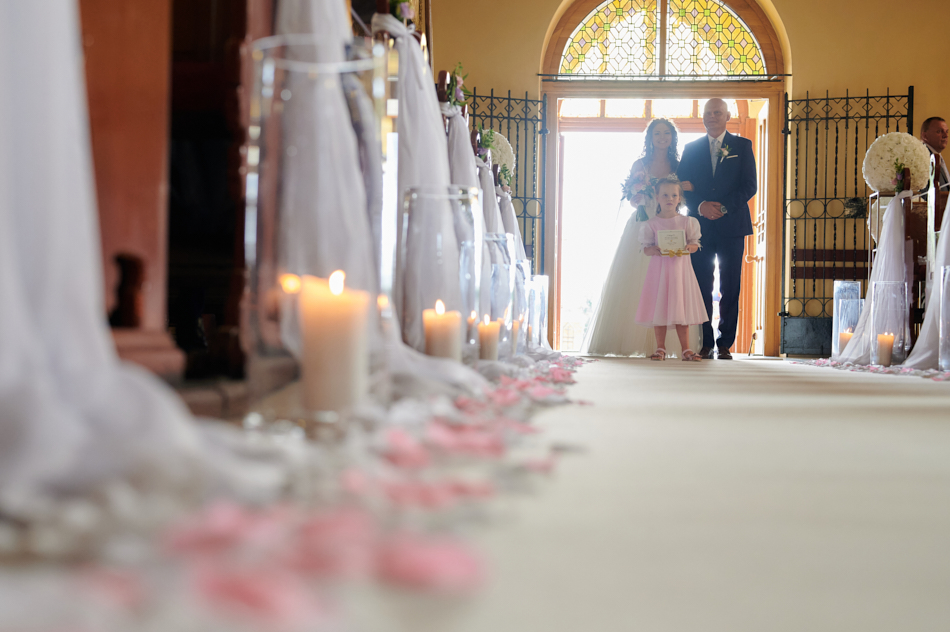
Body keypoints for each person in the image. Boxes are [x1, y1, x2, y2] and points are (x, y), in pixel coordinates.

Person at [581, 118, 700, 358]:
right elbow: (631, 196)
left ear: (672, 138)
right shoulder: (640, 164)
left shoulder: (679, 165)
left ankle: (674, 345)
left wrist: (689, 188)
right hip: (644, 222)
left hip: (670, 225)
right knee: (637, 279)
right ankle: (629, 341)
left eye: (667, 133)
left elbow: (684, 193)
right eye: (657, 133)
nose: (662, 137)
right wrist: (636, 199)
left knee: (669, 282)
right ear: (650, 138)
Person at [677, 98, 757, 360]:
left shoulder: (742, 146)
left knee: (730, 285)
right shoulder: (691, 149)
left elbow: (749, 185)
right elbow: (680, 186)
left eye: (717, 112)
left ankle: (725, 343)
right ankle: (705, 342)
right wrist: (700, 206)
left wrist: (723, 207)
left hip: (732, 225)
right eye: (708, 113)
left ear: (727, 116)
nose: (712, 116)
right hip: (699, 227)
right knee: (701, 284)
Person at [635, 178, 707, 361]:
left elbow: (695, 244)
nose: (670, 198)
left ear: (679, 198)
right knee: (659, 307)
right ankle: (660, 348)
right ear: (657, 197)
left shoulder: (687, 222)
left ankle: (686, 349)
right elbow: (646, 249)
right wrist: (653, 249)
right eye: (665, 195)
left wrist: (688, 248)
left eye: (674, 195)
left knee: (680, 307)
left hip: (680, 272)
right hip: (659, 272)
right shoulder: (651, 224)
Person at [921, 116, 949, 191]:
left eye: (947, 131)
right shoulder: (922, 158)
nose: (946, 135)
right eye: (939, 131)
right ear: (925, 136)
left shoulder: (937, 156)